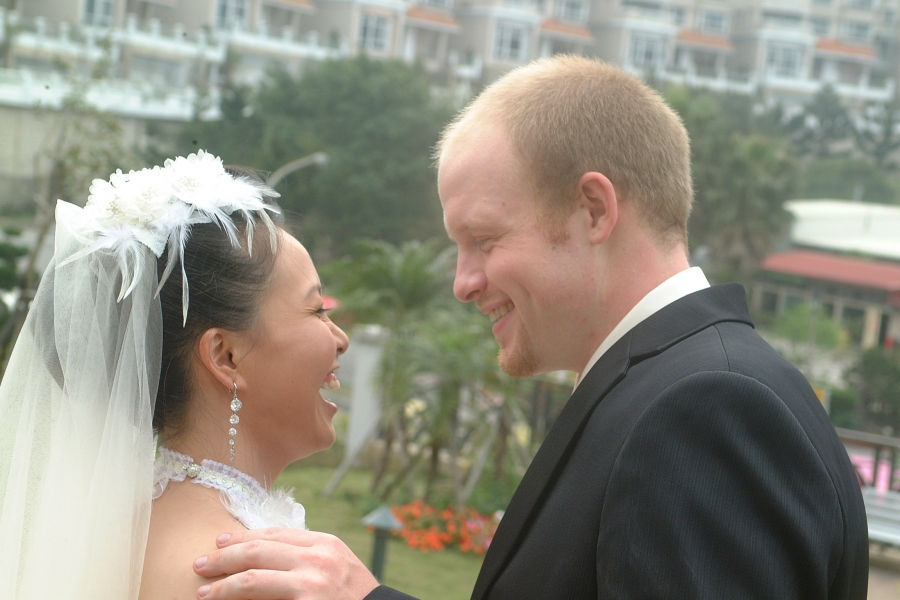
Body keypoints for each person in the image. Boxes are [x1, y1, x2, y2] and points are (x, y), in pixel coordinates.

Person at [193, 56, 868, 599]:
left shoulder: (705, 410)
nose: (463, 283)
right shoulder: (669, 385)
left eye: (484, 240)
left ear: (594, 210)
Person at [0, 151, 355, 599]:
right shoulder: (244, 578)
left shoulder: (125, 532)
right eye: (316, 309)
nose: (340, 338)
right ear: (226, 356)